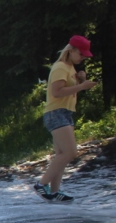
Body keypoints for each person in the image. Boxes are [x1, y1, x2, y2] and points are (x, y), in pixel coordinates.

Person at [35, 35, 98, 202]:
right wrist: (81, 86)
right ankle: (41, 184)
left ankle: (54, 192)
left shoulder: (70, 68)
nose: (83, 57)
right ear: (71, 50)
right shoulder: (61, 67)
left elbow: (69, 90)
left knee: (61, 154)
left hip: (64, 112)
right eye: (81, 54)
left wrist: (80, 81)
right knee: (70, 152)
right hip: (56, 113)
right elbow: (56, 92)